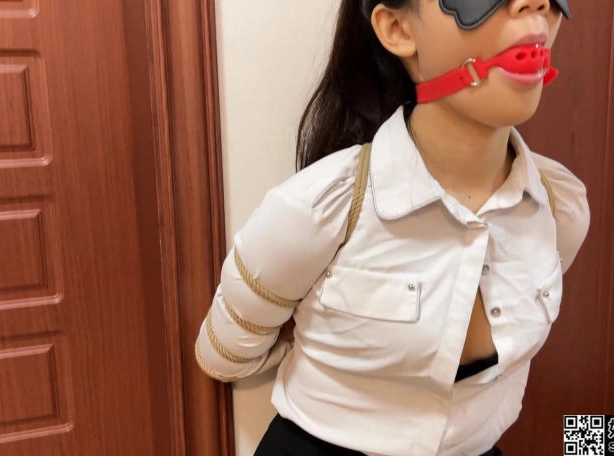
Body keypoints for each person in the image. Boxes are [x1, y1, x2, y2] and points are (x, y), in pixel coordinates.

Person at [195, 0, 588, 455]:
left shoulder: (559, 208)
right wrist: (318, 360)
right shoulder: (318, 208)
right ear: (398, 28)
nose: (533, 3)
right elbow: (225, 353)